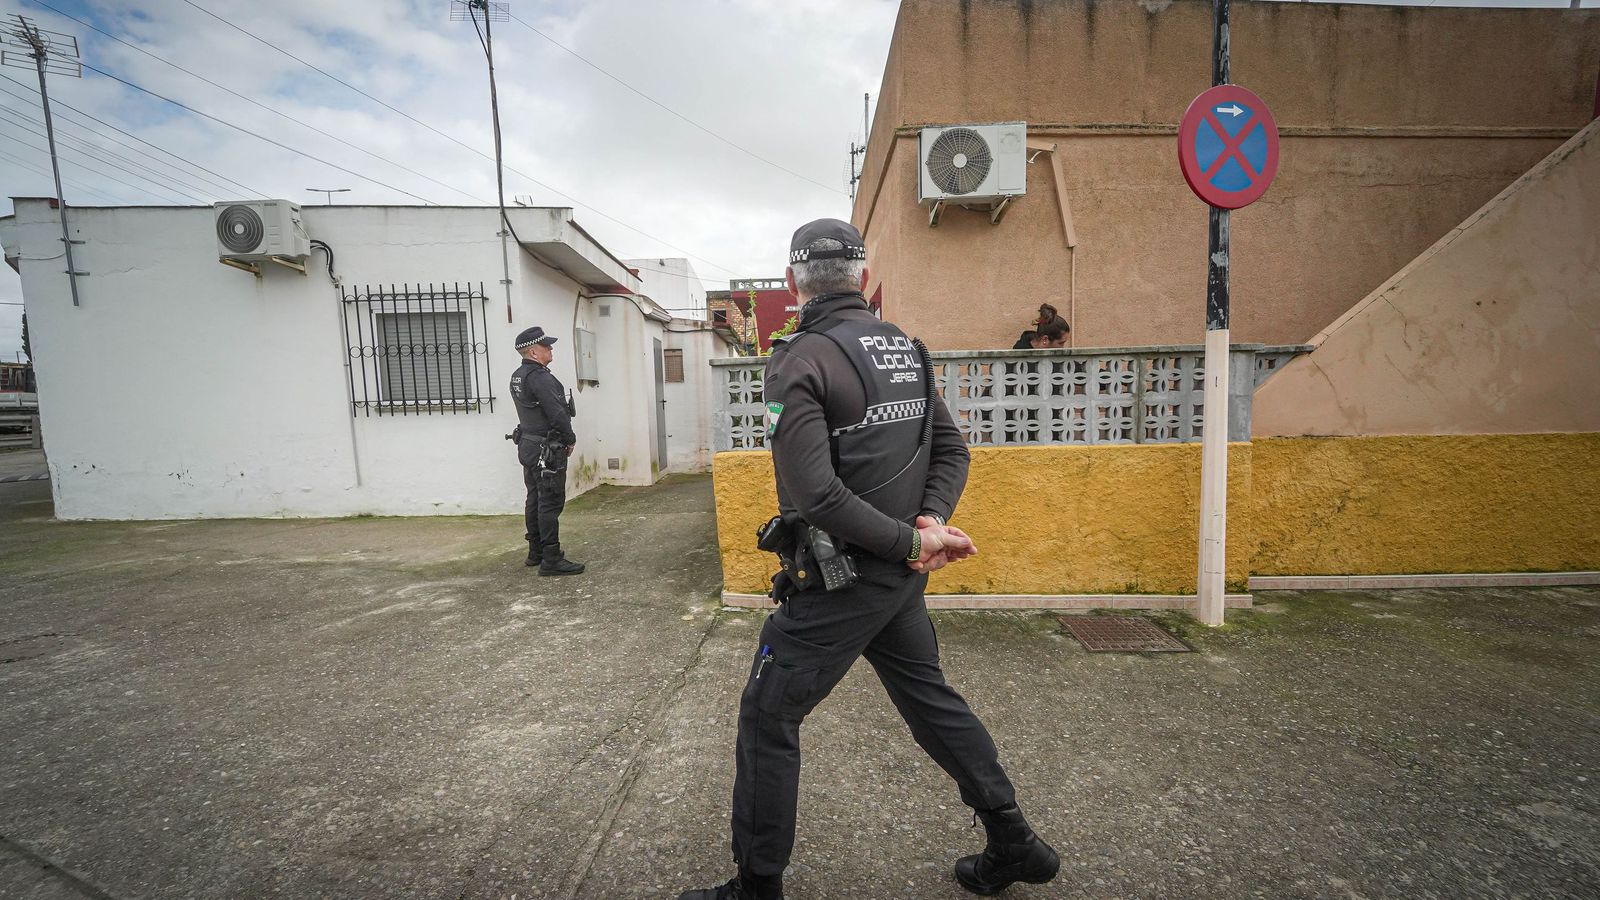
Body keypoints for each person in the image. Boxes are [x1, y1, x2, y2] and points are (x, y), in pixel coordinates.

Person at [679, 219, 1058, 900]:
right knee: (928, 700)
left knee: (769, 716)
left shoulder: (800, 359)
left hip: (844, 581)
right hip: (896, 579)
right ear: (863, 275)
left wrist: (917, 539)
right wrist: (927, 523)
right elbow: (952, 451)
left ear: (792, 280)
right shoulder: (904, 349)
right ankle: (1014, 841)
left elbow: (815, 494)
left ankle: (756, 887)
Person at [508, 326, 584, 576]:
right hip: (546, 450)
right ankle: (551, 558)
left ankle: (536, 552)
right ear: (533, 352)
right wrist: (569, 439)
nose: (550, 349)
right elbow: (557, 413)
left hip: (529, 445)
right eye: (546, 346)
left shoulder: (518, 376)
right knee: (550, 502)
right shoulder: (540, 378)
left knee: (534, 498)